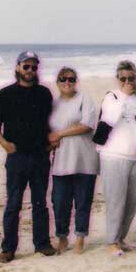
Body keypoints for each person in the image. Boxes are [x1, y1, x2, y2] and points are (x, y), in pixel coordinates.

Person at [0, 51, 56, 263]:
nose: (30, 71)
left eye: (34, 67)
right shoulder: (6, 94)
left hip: (40, 156)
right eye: (26, 66)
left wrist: (51, 143)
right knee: (14, 203)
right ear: (18, 68)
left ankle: (42, 243)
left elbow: (50, 121)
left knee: (40, 203)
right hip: (17, 158)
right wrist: (5, 144)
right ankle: (8, 248)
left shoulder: (44, 93)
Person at [97, 60, 136, 256]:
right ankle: (111, 241)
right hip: (113, 157)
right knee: (116, 200)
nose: (127, 81)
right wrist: (124, 96)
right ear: (118, 79)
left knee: (132, 201)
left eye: (131, 78)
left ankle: (121, 238)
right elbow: (110, 119)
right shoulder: (111, 97)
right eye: (123, 78)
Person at [48, 67, 99, 254]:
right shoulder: (53, 104)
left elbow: (87, 125)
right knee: (60, 201)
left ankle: (79, 238)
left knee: (83, 201)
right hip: (62, 160)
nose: (67, 82)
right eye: (63, 79)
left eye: (71, 79)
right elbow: (47, 132)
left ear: (76, 81)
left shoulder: (84, 99)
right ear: (57, 82)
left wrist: (60, 134)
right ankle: (62, 237)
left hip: (85, 159)